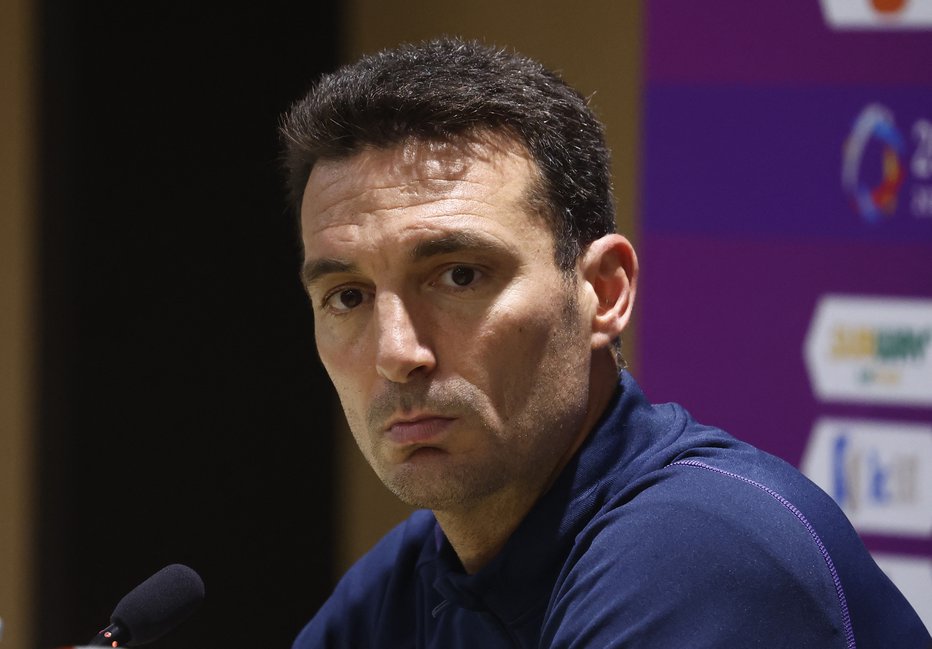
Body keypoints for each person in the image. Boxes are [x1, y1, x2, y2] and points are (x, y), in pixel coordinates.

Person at [281, 38, 930, 648]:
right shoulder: (421, 569)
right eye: (348, 296)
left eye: (459, 276)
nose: (397, 351)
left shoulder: (702, 552)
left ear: (605, 290)